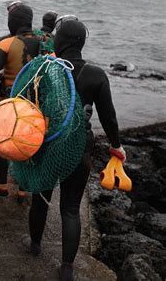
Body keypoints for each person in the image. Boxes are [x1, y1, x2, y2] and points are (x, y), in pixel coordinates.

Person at [21, 17, 126, 281]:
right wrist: (116, 146)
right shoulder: (95, 74)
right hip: (79, 147)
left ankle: (34, 245)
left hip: (46, 145)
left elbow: (24, 106)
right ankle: (67, 267)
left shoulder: (44, 68)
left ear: (60, 41)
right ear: (81, 42)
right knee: (70, 208)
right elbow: (109, 117)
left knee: (40, 197)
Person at [0, 1, 41, 201]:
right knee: (27, 143)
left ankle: (3, 186)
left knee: (1, 142)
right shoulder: (45, 43)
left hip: (9, 102)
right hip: (34, 104)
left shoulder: (6, 43)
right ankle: (23, 190)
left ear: (12, 22)